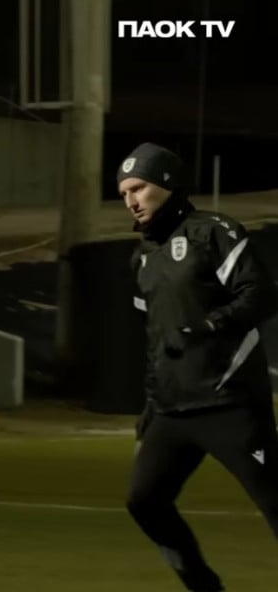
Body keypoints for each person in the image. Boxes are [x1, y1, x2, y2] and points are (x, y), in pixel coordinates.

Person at [121, 142, 278, 591]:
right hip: (172, 411)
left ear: (168, 184)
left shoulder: (213, 231)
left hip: (231, 405)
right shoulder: (141, 258)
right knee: (144, 502)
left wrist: (211, 324)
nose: (131, 199)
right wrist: (150, 405)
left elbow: (262, 294)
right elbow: (154, 340)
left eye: (139, 187)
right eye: (124, 192)